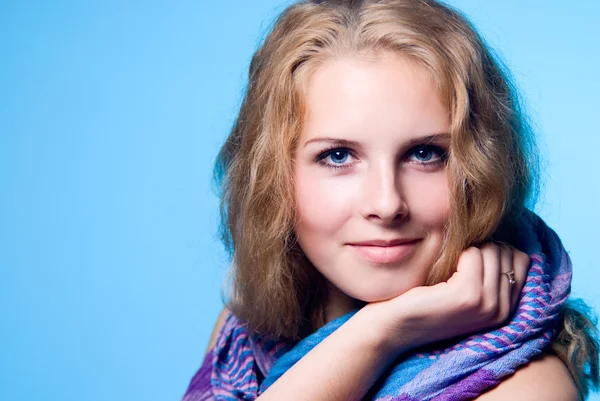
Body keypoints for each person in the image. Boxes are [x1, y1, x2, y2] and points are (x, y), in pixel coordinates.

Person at [182, 0, 599, 400]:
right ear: (274, 176)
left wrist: (382, 332)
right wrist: (382, 330)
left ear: (482, 168)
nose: (386, 203)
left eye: (425, 154)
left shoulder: (526, 390)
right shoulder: (240, 336)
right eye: (338, 156)